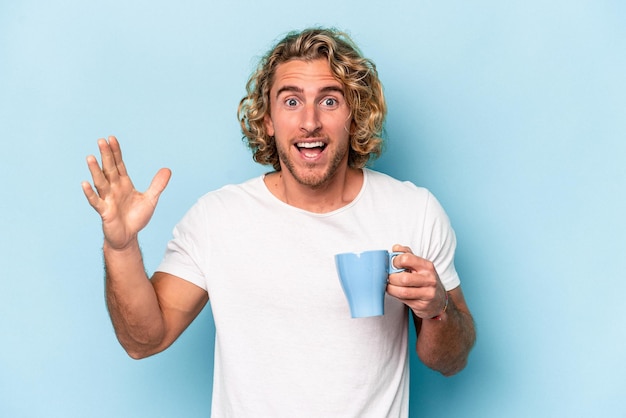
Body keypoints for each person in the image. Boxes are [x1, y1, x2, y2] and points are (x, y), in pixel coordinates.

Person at [82, 27, 475, 417]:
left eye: (329, 101)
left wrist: (438, 307)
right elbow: (144, 340)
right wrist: (121, 246)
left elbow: (451, 359)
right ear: (267, 119)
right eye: (290, 102)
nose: (309, 122)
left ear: (355, 116)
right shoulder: (217, 218)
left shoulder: (413, 210)